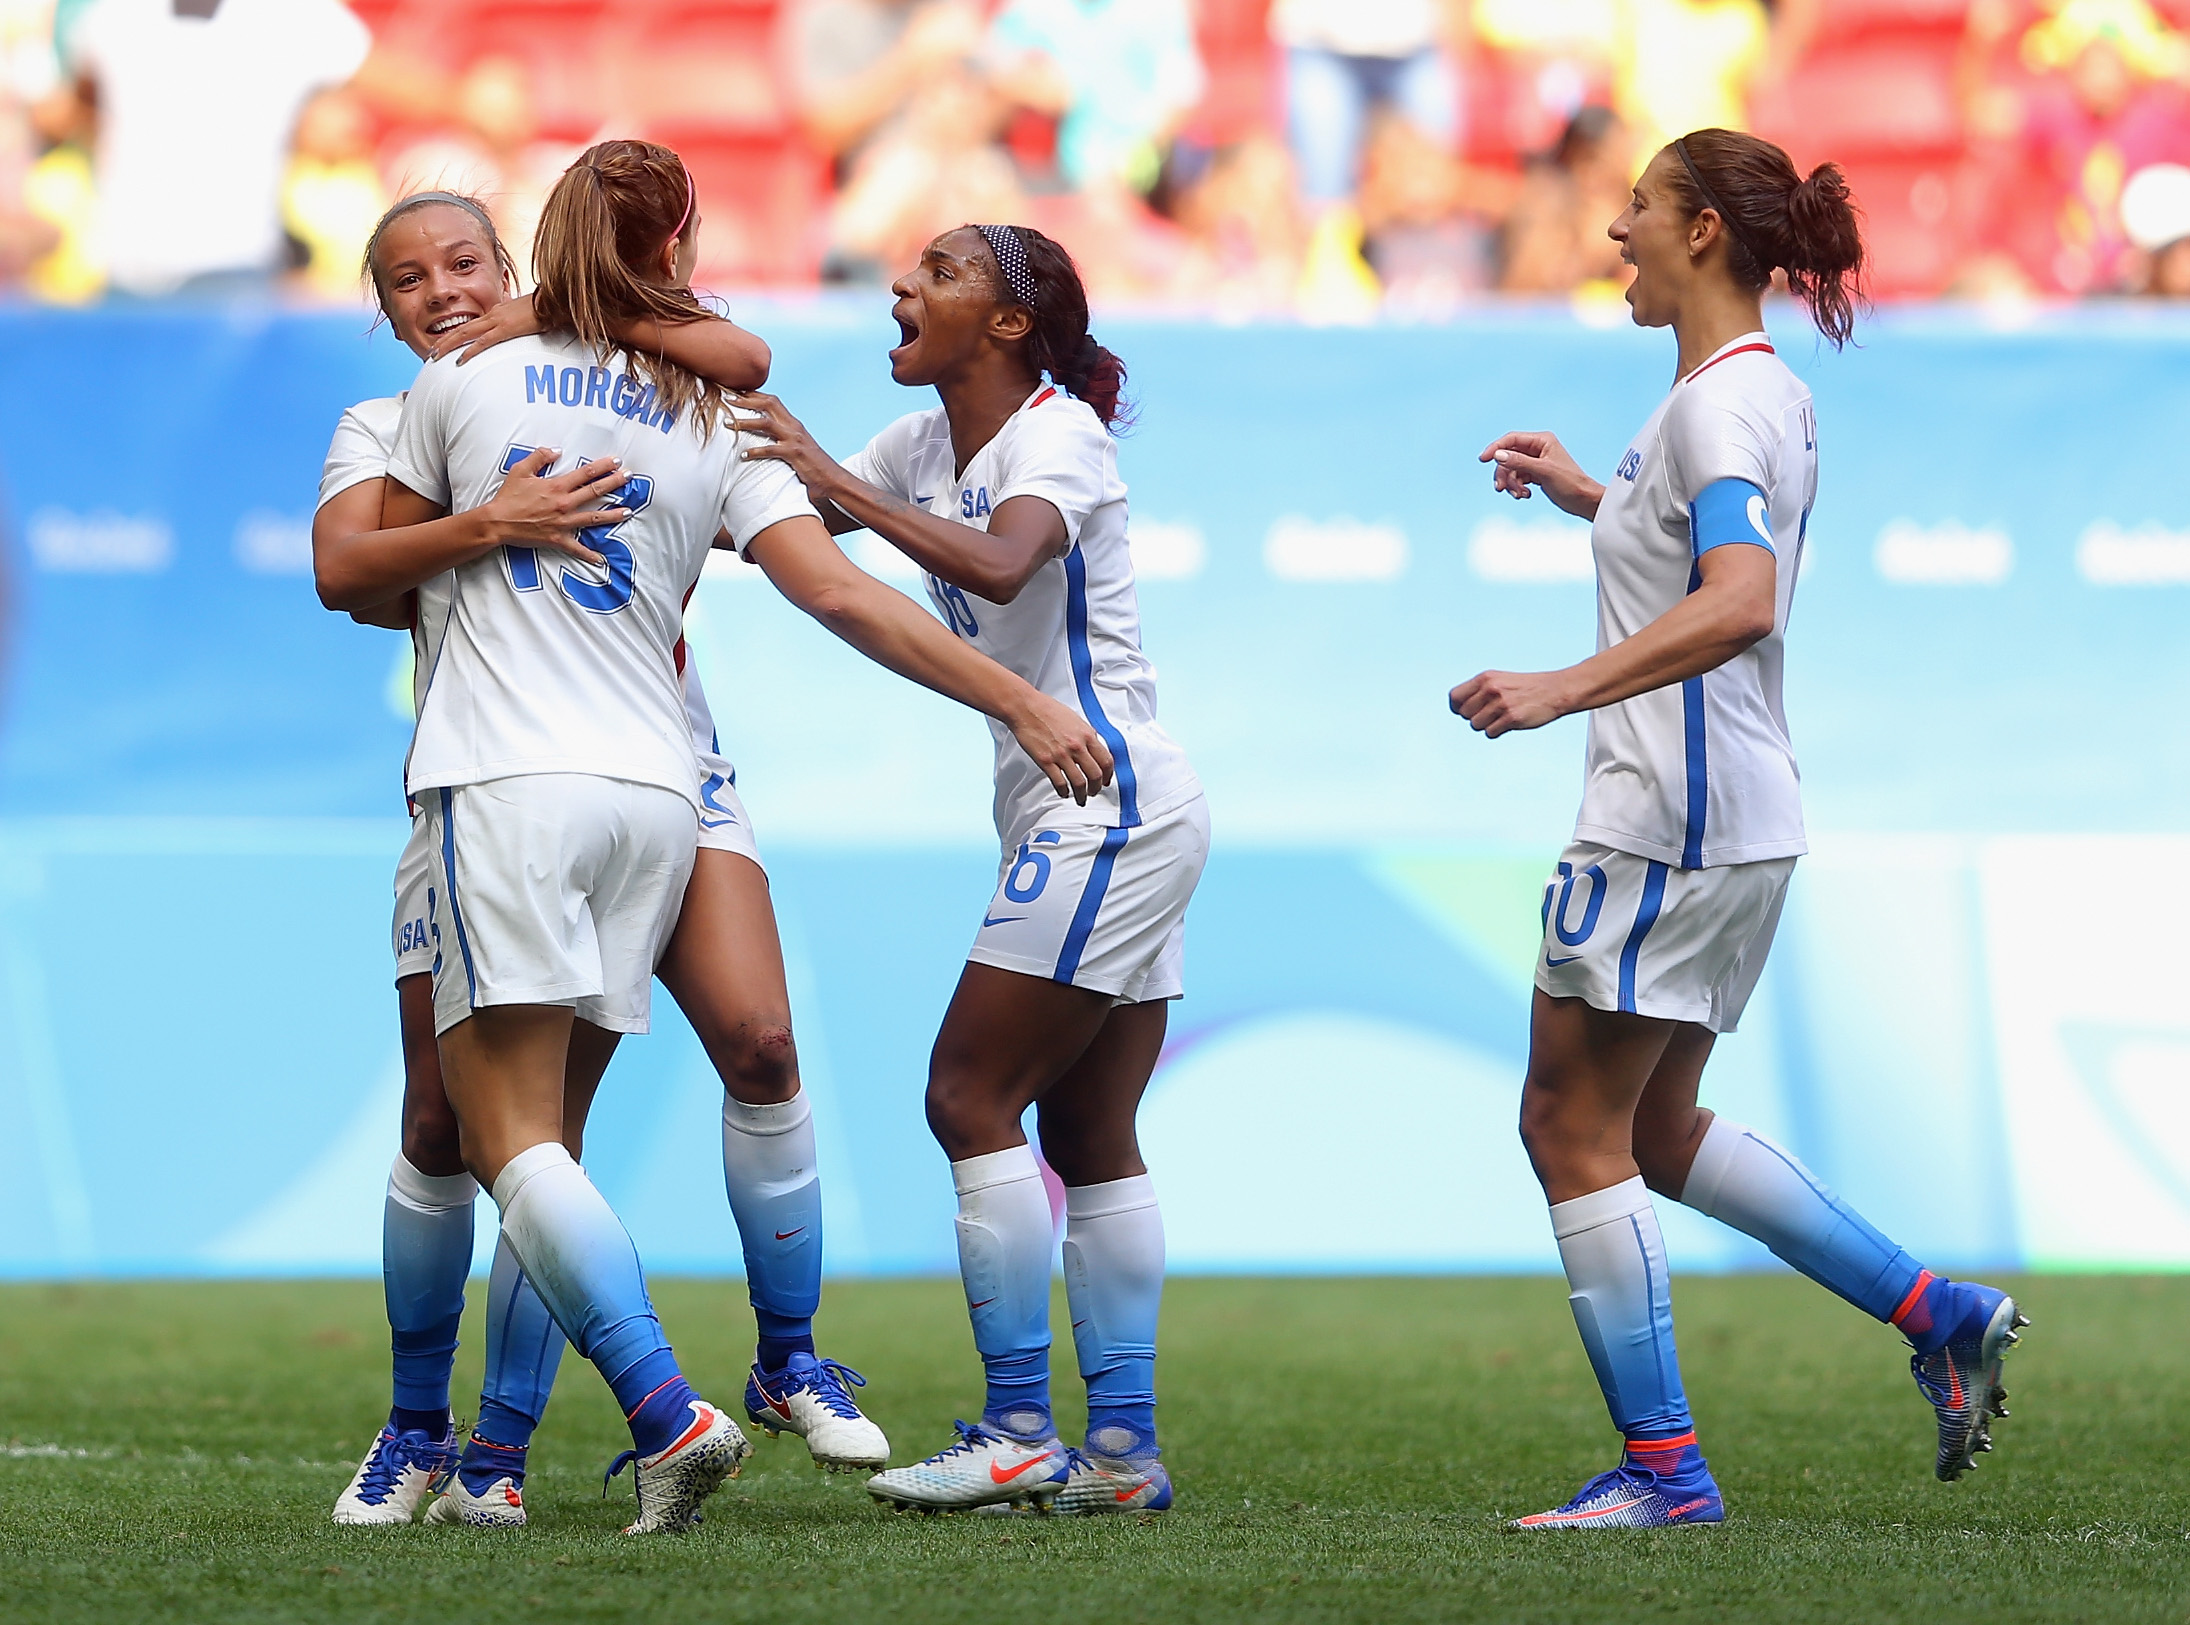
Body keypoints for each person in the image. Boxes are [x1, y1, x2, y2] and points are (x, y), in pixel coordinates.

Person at [317, 146, 1112, 1534]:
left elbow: (829, 578)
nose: (439, 291)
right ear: (382, 312)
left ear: (518, 271)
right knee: (462, 1124)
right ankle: (446, 1439)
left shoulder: (656, 386)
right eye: (406, 278)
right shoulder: (420, 411)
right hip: (593, 777)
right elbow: (355, 574)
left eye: (463, 267)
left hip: (576, 777)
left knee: (641, 1087)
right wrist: (495, 517)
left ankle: (681, 1394)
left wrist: (1008, 695)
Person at [1454, 129, 2027, 1529]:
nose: (1616, 234)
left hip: (1665, 818)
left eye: (1637, 209)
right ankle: (1933, 1307)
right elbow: (1701, 549)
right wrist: (1599, 496)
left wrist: (1555, 687)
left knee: (1562, 1124)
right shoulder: (1741, 394)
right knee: (1651, 1131)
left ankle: (1664, 1472)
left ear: (1702, 231)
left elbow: (1738, 598)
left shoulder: (1716, 408)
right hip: (1736, 816)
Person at [729, 223, 1207, 1516]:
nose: (900, 284)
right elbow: (781, 532)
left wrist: (836, 477)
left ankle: (1016, 1429)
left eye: (938, 273)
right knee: (1088, 1128)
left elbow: (1000, 558)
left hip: (1102, 798)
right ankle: (1120, 1455)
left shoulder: (1057, 434)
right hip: (1087, 801)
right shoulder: (923, 444)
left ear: (1007, 325)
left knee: (964, 1093)